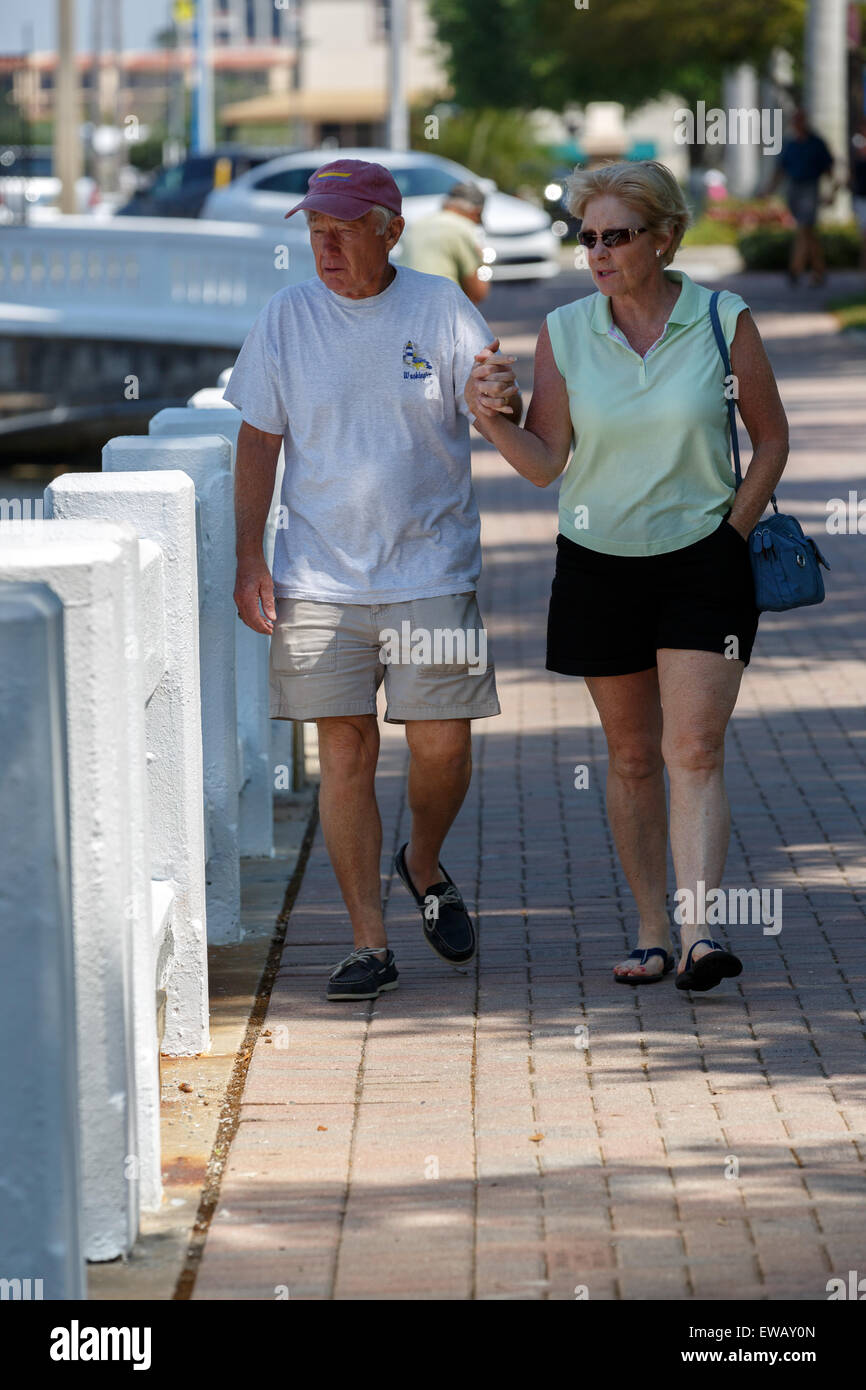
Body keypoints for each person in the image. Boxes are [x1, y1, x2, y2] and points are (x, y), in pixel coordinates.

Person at [464, 159, 789, 993]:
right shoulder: (566, 331)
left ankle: (700, 935)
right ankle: (651, 931)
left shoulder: (723, 319)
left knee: (693, 746)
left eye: (617, 236)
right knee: (634, 757)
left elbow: (772, 440)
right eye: (588, 237)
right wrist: (491, 422)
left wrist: (731, 535)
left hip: (703, 564)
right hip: (598, 563)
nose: (598, 252)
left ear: (665, 238)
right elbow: (545, 463)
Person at [226, 158, 521, 1001]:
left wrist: (503, 391)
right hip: (318, 576)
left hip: (429, 563)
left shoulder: (438, 306)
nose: (325, 244)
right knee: (345, 749)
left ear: (390, 231)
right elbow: (258, 440)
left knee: (442, 745)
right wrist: (252, 556)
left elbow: (497, 405)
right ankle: (368, 943)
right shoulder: (287, 317)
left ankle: (421, 859)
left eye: (344, 229)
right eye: (316, 229)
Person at [771, 107, 834, 286]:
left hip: (810, 186)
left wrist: (831, 192)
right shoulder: (790, 144)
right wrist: (769, 189)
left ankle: (795, 268)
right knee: (808, 231)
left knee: (804, 227)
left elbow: (829, 169)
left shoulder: (816, 143)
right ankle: (819, 270)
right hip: (794, 188)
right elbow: (780, 170)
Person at [400, 181, 491, 304]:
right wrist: (482, 263)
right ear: (475, 212)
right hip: (440, 308)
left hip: (405, 303)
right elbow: (477, 293)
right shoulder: (462, 228)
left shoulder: (417, 225)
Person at [850, 116, 866, 272]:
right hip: (862, 196)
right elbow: (852, 174)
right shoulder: (857, 150)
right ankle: (863, 266)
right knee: (864, 233)